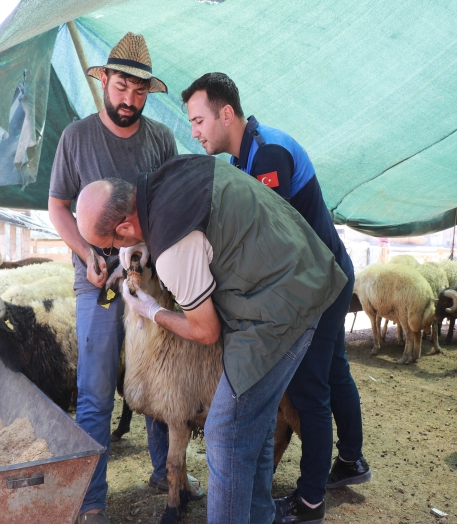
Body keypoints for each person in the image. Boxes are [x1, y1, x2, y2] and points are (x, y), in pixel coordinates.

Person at [75, 154, 348, 524]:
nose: (112, 255)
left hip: (283, 304)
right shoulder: (175, 172)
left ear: (124, 228)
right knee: (260, 425)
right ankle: (260, 517)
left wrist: (153, 311)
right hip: (305, 272)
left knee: (225, 434)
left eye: (107, 247)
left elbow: (206, 331)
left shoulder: (172, 247)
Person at [181, 72, 371, 524]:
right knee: (333, 372)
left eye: (198, 119)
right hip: (323, 272)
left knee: (310, 388)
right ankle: (352, 461)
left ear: (226, 113)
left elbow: (272, 243)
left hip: (317, 282)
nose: (194, 131)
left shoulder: (267, 154)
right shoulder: (244, 160)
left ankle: (309, 502)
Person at [48, 33, 197, 524]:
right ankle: (92, 500)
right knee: (94, 390)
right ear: (105, 81)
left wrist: (140, 259)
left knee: (160, 375)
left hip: (150, 279)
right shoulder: (76, 137)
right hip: (98, 283)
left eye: (138, 92)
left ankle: (165, 471)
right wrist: (89, 252)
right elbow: (57, 206)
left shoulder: (160, 140)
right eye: (120, 88)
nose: (128, 100)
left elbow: (170, 208)